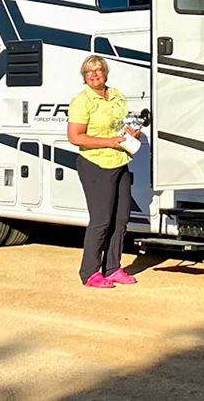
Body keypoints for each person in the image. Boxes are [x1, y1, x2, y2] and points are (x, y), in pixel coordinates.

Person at [67, 54, 142, 288]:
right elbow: (75, 137)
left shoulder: (117, 95)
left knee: (120, 219)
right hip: (95, 164)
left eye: (98, 70)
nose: (94, 75)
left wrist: (132, 132)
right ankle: (89, 272)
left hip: (119, 160)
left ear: (105, 72)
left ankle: (112, 268)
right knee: (101, 220)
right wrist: (108, 142)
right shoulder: (82, 101)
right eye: (88, 72)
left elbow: (123, 124)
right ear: (84, 77)